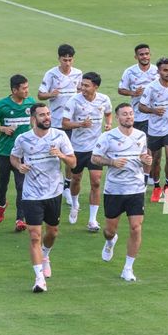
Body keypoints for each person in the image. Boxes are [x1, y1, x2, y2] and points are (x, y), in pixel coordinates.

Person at [10, 103, 76, 293]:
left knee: (52, 232)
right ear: (34, 118)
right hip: (31, 194)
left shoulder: (60, 136)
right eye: (42, 115)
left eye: (48, 114)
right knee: (34, 236)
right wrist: (19, 166)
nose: (47, 117)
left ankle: (46, 254)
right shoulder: (23, 139)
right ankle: (39, 279)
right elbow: (14, 157)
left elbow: (73, 162)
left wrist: (61, 155)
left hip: (54, 192)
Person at [91, 103, 152, 282]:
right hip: (114, 190)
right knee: (109, 230)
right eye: (125, 114)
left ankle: (128, 268)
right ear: (118, 118)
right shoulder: (107, 137)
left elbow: (142, 157)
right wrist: (112, 162)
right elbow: (95, 158)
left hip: (136, 188)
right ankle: (110, 241)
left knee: (136, 227)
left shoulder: (141, 135)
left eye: (131, 114)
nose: (129, 117)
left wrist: (146, 159)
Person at [61, 72, 112, 232]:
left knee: (96, 182)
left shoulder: (104, 99)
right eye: (82, 85)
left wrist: (109, 124)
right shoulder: (74, 101)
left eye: (86, 85)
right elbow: (64, 124)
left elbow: (109, 112)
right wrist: (81, 124)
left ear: (95, 87)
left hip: (96, 149)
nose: (82, 88)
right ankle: (75, 204)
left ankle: (92, 220)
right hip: (77, 148)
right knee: (76, 180)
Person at [0, 74, 35, 232]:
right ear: (14, 90)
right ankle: (1, 205)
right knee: (3, 183)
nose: (27, 91)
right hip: (5, 152)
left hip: (23, 153)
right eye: (24, 88)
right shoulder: (1, 105)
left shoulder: (31, 103)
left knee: (21, 185)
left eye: (27, 87)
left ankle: (20, 219)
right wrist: (3, 129)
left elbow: (35, 121)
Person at [38, 44, 82, 206]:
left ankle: (67, 186)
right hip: (55, 122)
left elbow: (81, 92)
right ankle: (52, 185)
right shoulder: (51, 74)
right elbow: (40, 94)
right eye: (65, 60)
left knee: (70, 155)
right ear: (59, 59)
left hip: (71, 123)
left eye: (70, 60)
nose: (67, 63)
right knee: (54, 156)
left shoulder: (78, 73)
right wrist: (51, 94)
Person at [138, 57, 168, 203]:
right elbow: (141, 106)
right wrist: (153, 110)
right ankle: (157, 187)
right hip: (155, 129)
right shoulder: (151, 88)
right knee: (156, 160)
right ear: (158, 71)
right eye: (165, 70)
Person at [118, 44, 159, 185]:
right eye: (141, 54)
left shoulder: (157, 71)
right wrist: (133, 93)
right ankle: (144, 175)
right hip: (137, 115)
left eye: (147, 53)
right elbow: (121, 89)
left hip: (153, 116)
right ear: (136, 57)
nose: (145, 56)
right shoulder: (130, 72)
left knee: (151, 148)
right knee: (140, 147)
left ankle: (148, 178)